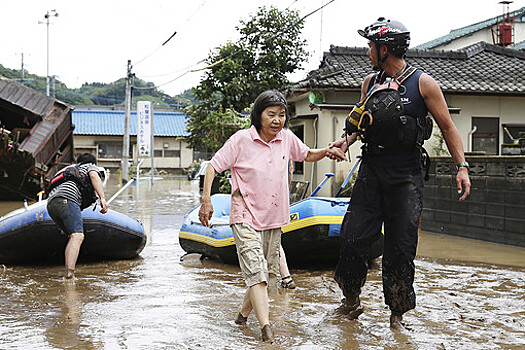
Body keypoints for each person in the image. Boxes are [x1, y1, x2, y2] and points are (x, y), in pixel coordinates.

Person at [329, 18, 471, 329]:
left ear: (385, 49)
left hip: (406, 175)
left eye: (371, 46)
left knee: (401, 246)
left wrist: (462, 167)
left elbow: (448, 128)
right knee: (352, 238)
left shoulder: (424, 84)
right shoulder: (369, 83)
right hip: (371, 170)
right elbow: (363, 122)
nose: (368, 51)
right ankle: (351, 300)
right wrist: (346, 140)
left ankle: (397, 316)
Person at [199, 90, 345, 342]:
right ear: (259, 115)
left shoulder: (287, 138)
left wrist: (327, 151)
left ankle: (242, 317)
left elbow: (307, 154)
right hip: (244, 211)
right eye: (271, 114)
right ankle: (266, 329)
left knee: (264, 271)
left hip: (273, 215)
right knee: (257, 271)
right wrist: (206, 199)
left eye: (281, 115)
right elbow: (213, 165)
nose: (277, 120)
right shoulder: (242, 139)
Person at [47, 153, 108, 279]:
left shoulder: (70, 170)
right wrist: (102, 197)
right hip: (67, 199)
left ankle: (68, 269)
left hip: (51, 203)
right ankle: (69, 275)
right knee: (77, 236)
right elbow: (93, 176)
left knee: (72, 235)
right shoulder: (89, 167)